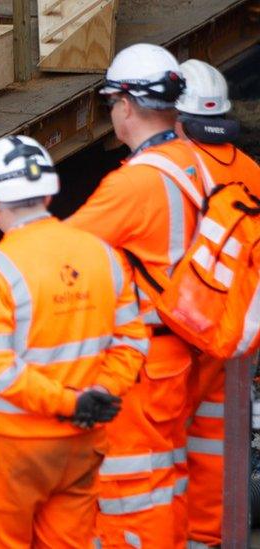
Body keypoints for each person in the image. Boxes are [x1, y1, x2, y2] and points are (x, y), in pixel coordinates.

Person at [0, 135, 147, 548]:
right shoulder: (103, 255)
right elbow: (133, 341)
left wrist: (68, 403)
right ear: (50, 192)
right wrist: (98, 396)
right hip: (81, 443)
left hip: (9, 448)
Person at [66, 43, 203, 548]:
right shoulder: (193, 160)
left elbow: (62, 252)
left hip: (143, 360)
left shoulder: (135, 184)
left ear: (124, 105)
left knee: (131, 486)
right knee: (166, 473)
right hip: (181, 348)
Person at [174, 59, 260, 549]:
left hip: (185, 326)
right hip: (237, 331)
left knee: (163, 441)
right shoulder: (250, 169)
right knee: (220, 439)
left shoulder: (169, 170)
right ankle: (211, 535)